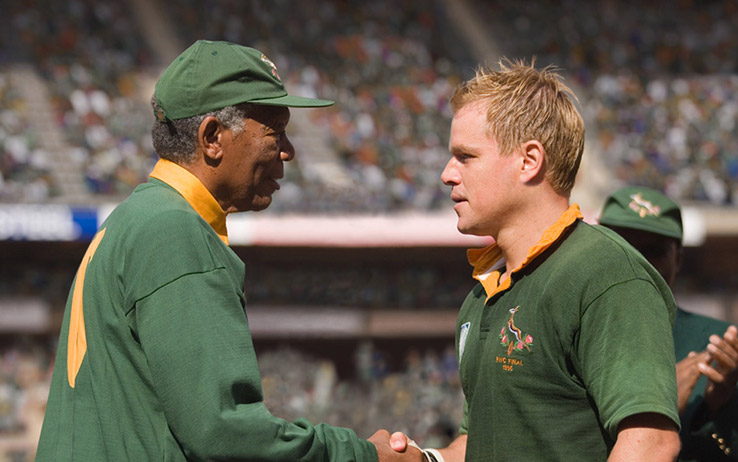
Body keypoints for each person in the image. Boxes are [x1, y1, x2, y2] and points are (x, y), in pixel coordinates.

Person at [36, 40, 421, 462]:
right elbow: (224, 434)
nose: (288, 151)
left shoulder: (137, 217)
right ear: (213, 137)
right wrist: (363, 455)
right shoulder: (174, 231)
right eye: (275, 130)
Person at [395, 59, 682, 461]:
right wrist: (425, 459)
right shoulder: (482, 296)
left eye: (466, 156)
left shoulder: (606, 274)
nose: (447, 174)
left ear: (529, 160)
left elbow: (650, 443)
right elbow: (480, 441)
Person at [598, 185, 738, 461]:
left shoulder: (717, 343)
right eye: (623, 246)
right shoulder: (565, 329)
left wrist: (718, 408)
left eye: (654, 251)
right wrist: (657, 405)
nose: (638, 262)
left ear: (678, 260)